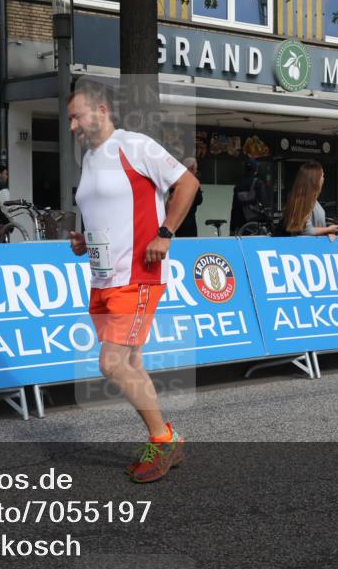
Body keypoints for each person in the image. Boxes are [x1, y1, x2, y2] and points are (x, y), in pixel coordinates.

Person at [66, 82, 200, 484]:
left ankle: (164, 438)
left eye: (77, 116)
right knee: (132, 363)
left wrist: (165, 233)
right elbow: (108, 214)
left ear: (101, 110)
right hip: (103, 276)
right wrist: (83, 239)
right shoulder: (90, 159)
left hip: (137, 274)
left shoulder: (134, 145)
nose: (72, 125)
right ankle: (165, 440)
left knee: (111, 363)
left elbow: (187, 184)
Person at [281, 161, 338, 238]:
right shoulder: (304, 201)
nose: (323, 179)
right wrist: (328, 229)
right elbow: (305, 230)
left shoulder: (309, 200)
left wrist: (329, 230)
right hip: (308, 249)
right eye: (322, 176)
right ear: (315, 180)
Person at [230, 158, 270, 234]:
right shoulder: (258, 183)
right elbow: (264, 204)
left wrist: (232, 229)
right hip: (256, 224)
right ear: (256, 170)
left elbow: (234, 209)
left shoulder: (238, 185)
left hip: (241, 225)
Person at [168, 157, 203, 237]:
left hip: (178, 219)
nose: (196, 171)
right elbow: (199, 200)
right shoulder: (192, 181)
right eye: (195, 169)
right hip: (188, 220)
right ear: (191, 168)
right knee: (190, 243)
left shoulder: (176, 180)